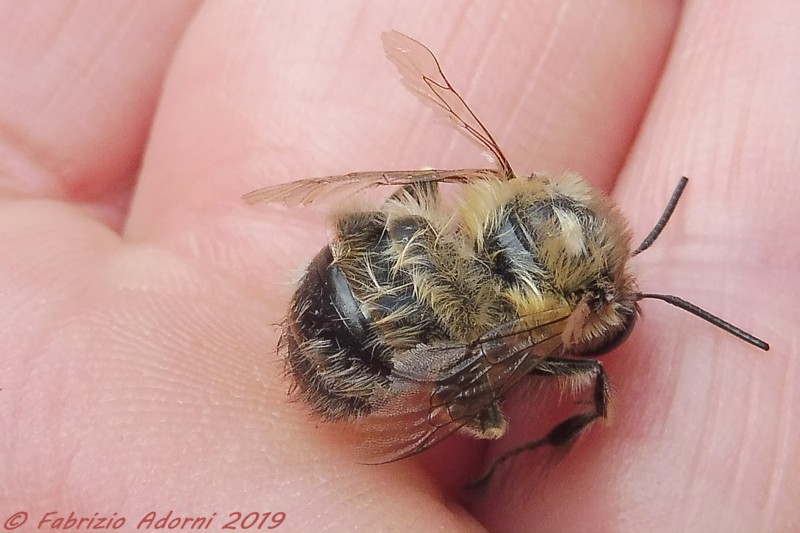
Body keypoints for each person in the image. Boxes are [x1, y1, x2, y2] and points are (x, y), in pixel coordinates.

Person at [0, 3, 794, 532]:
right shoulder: (545, 322)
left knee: (422, 215)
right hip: (360, 354)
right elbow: (492, 370)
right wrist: (471, 399)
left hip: (349, 287)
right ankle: (506, 445)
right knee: (565, 382)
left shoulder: (504, 182)